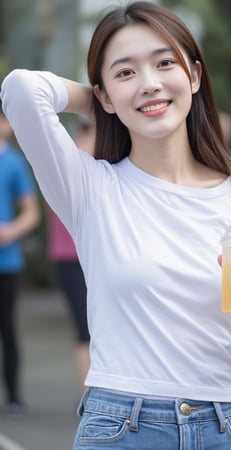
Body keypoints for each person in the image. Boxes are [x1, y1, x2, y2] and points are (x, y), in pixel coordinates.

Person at [0, 2, 231, 448]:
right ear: (103, 95)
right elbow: (21, 89)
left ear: (194, 75)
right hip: (121, 427)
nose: (150, 83)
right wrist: (101, 101)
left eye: (164, 63)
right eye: (125, 72)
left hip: (226, 426)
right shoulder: (90, 189)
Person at [47, 119, 95, 392]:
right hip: (72, 255)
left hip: (72, 255)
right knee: (86, 330)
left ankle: (91, 396)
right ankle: (90, 398)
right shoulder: (82, 160)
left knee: (86, 330)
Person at [0, 103, 40, 416]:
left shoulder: (14, 163)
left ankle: (13, 396)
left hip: (6, 264)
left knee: (7, 330)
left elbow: (31, 213)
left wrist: (10, 231)